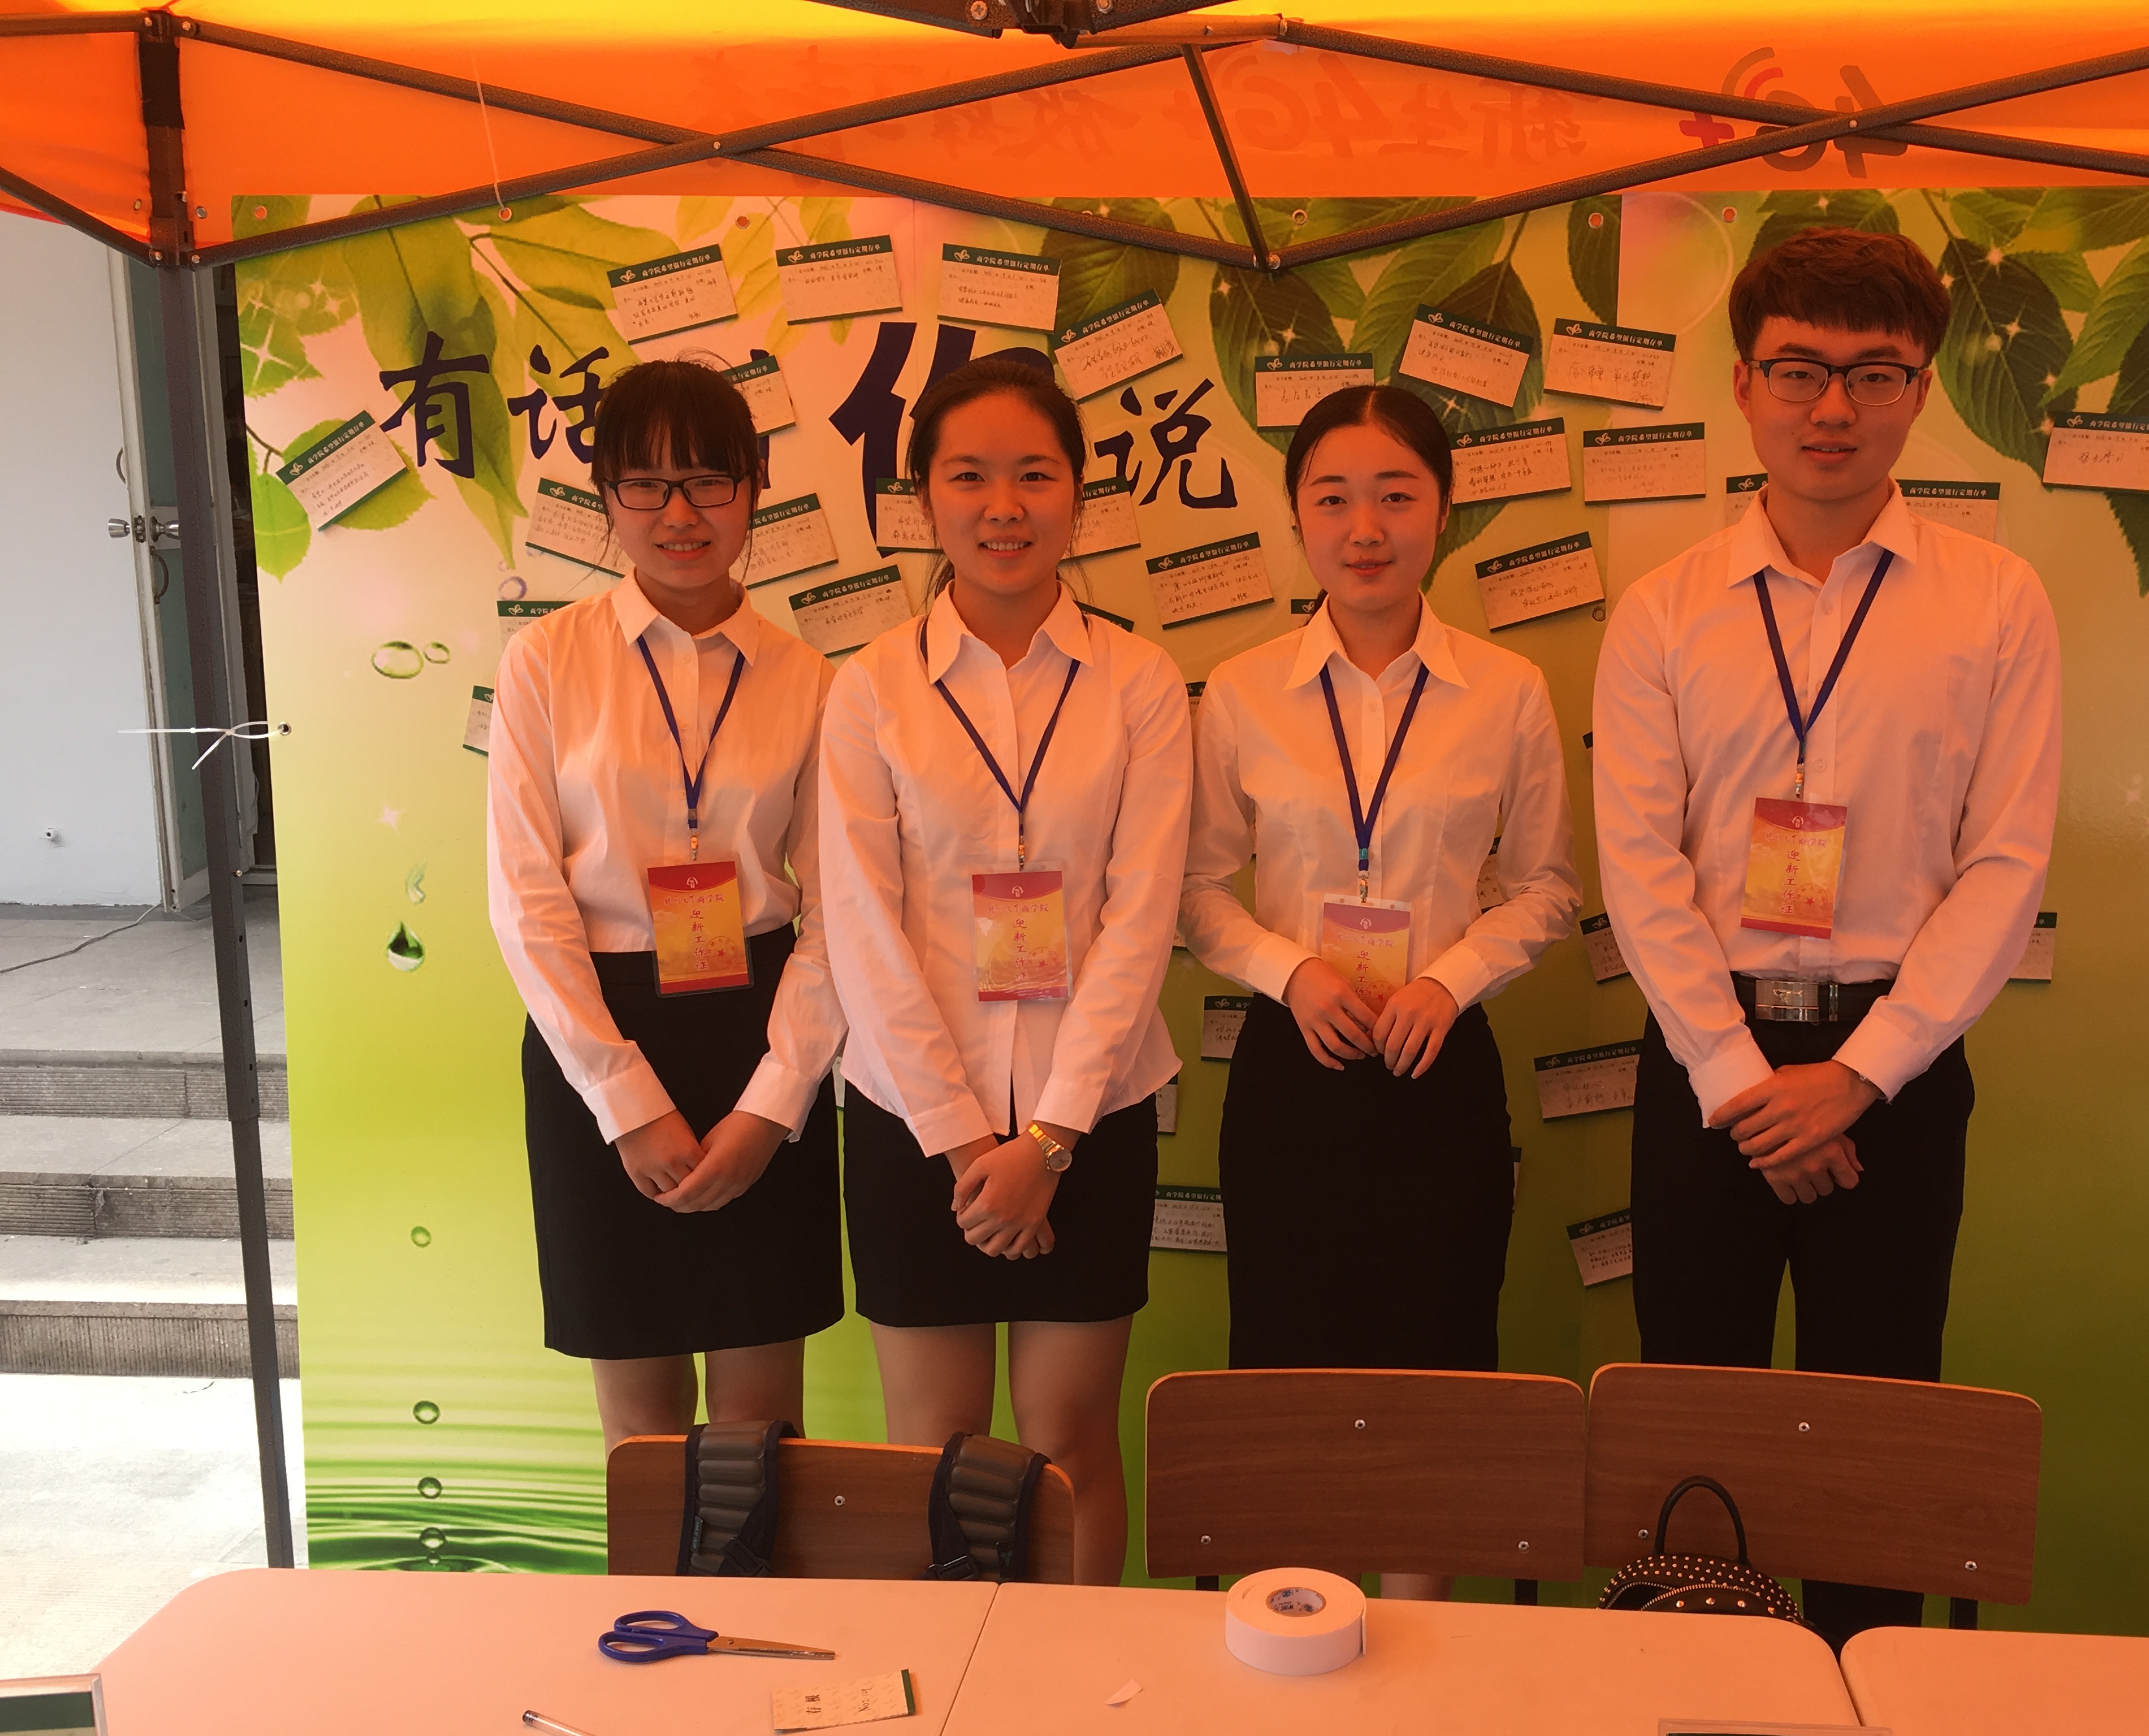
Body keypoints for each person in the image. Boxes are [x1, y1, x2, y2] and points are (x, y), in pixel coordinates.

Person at [1592, 226, 2062, 1646]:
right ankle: (1692, 1707)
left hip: (1895, 1075)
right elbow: (1641, 868)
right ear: (1745, 384)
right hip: (1708, 1071)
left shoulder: (1998, 601)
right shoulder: (1665, 611)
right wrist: (1745, 1086)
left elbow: (2007, 861)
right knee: (1693, 1434)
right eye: (1799, 369)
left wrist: (1859, 1076)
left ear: (1922, 388)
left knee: (1876, 1439)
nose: (1834, 407)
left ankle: (1869, 1711)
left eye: (1875, 373)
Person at [1183, 384, 1578, 1595]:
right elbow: (1195, 891)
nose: (1366, 528)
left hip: (1436, 1071)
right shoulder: (1241, 691)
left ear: (1443, 513)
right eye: (1334, 498)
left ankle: (1424, 1627)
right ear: (1298, 517)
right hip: (1290, 1072)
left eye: (1397, 496)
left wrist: (1450, 983)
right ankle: (1287, 1623)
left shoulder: (1506, 690)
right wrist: (1290, 971)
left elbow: (1547, 890)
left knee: (1437, 1364)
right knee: (1285, 1369)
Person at [818, 354, 1190, 1586]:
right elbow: (862, 927)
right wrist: (965, 1142)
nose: (1004, 507)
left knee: (1070, 1441)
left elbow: (1141, 918)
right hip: (915, 1119)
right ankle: (953, 1688)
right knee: (937, 1451)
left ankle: (1075, 1683)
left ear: (1078, 493)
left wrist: (1053, 1140)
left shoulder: (1140, 681)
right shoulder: (871, 688)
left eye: (1035, 475)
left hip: (1095, 1110)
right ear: (924, 499)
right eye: (969, 477)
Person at [486, 359, 844, 1456]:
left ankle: (754, 1587)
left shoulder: (811, 680)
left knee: (761, 1423)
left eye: (708, 482)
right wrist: (624, 1099)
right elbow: (527, 899)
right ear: (606, 497)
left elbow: (842, 913)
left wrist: (773, 1105)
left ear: (754, 490)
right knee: (641, 1430)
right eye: (646, 484)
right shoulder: (545, 661)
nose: (680, 514)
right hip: (598, 1035)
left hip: (761, 1031)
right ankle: (656, 1588)